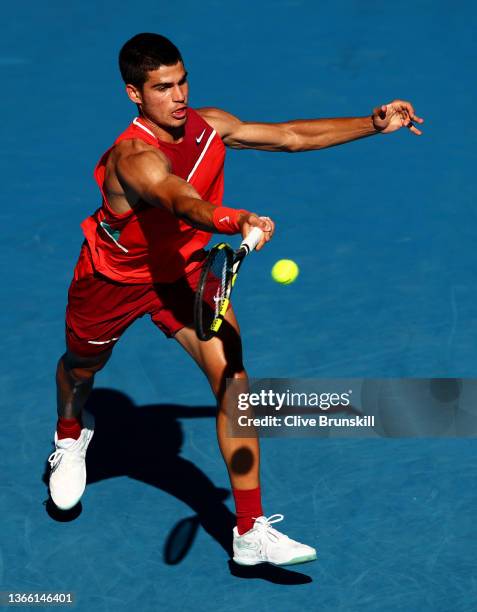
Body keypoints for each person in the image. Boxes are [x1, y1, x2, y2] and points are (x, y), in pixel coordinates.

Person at [47, 32, 423, 567]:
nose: (177, 97)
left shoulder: (208, 126)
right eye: (161, 88)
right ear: (135, 94)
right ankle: (69, 435)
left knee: (235, 383)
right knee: (81, 370)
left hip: (181, 276)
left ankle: (248, 530)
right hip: (114, 280)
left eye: (182, 82)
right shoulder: (132, 157)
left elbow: (290, 136)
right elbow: (178, 198)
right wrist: (234, 219)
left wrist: (374, 122)